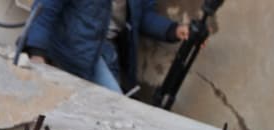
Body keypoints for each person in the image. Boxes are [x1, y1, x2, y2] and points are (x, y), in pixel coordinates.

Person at [21, 0, 187, 94]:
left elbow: (141, 17)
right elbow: (46, 8)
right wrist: (37, 53)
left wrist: (173, 30)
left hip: (105, 52)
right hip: (71, 48)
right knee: (114, 102)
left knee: (112, 106)